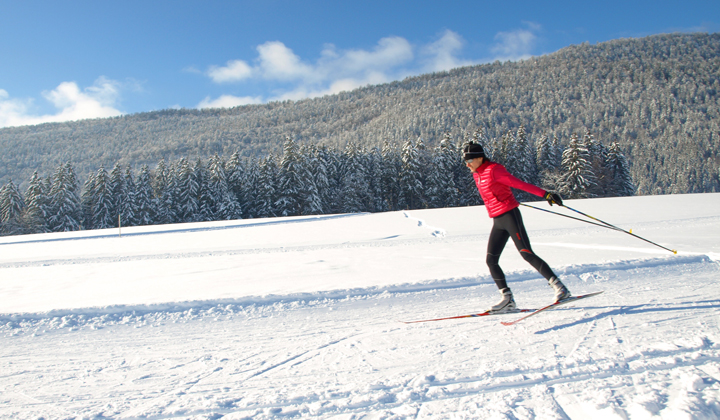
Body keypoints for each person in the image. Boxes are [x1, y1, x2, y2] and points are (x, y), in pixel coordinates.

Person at [463, 141, 571, 313]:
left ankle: (560, 289)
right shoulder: (478, 174)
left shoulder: (494, 170)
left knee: (526, 253)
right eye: (465, 161)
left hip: (509, 215)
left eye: (469, 160)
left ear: (480, 158)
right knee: (491, 260)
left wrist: (546, 194)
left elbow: (518, 184)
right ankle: (507, 300)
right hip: (497, 220)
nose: (467, 164)